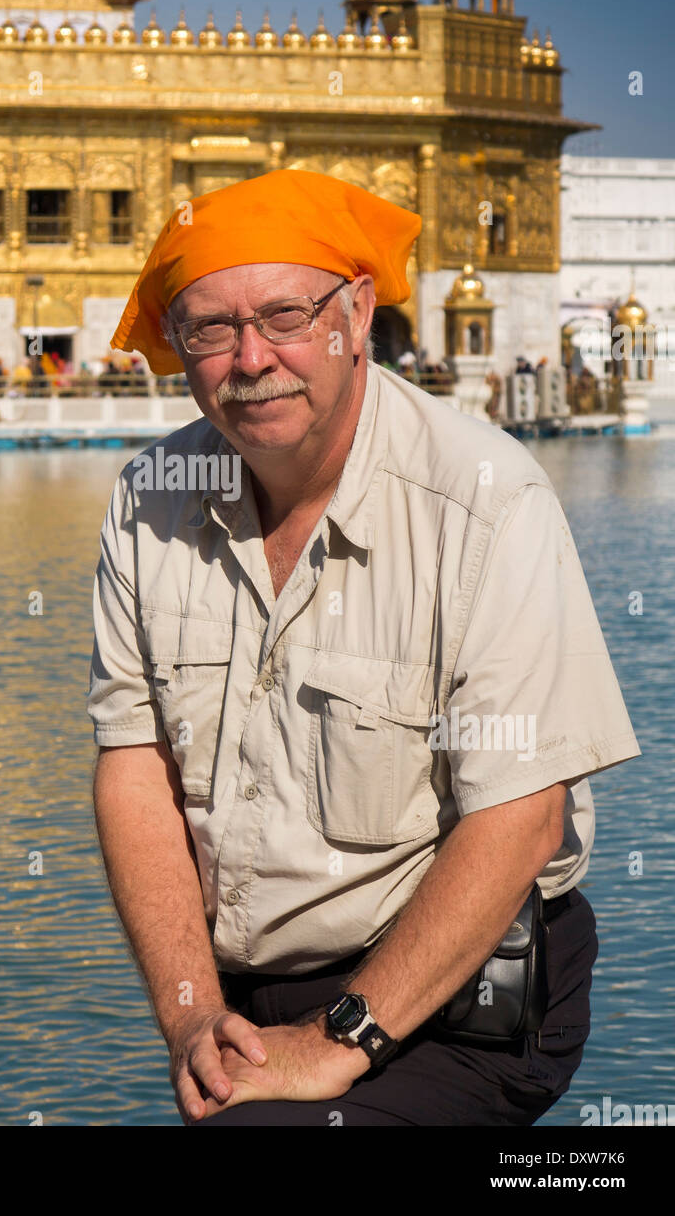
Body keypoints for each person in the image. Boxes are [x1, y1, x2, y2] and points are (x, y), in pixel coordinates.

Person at [87, 168, 642, 1127]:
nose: (250, 358)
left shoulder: (482, 500)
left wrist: (342, 1038)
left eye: (285, 316)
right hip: (243, 998)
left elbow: (521, 820)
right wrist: (188, 1014)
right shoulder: (154, 498)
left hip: (458, 1001)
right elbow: (135, 764)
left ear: (356, 311)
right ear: (177, 347)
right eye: (210, 330)